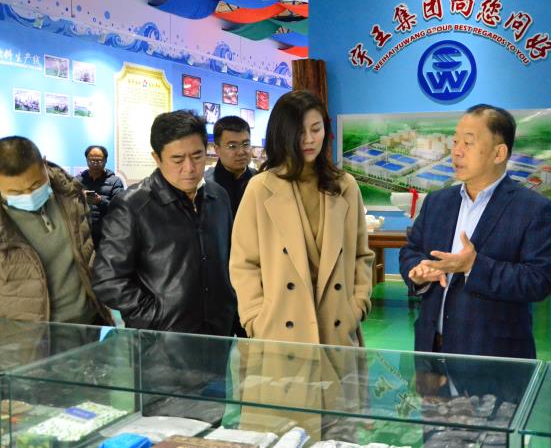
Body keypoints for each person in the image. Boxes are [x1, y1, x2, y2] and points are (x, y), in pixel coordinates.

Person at [399, 104, 551, 359]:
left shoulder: (533, 209)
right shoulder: (437, 202)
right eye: (455, 141)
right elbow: (411, 251)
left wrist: (474, 266)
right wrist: (418, 272)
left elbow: (537, 281)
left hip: (492, 357)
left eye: (468, 143)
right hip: (431, 350)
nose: (457, 151)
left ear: (499, 153)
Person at [230, 90, 374, 346]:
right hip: (280, 331)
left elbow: (361, 256)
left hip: (337, 329)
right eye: (299, 132)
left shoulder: (345, 186)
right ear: (282, 134)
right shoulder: (260, 188)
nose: (309, 139)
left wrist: (358, 306)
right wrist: (254, 318)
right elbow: (244, 263)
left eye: (316, 129)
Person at [92, 110, 238, 335]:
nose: (189, 168)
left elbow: (229, 259)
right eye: (177, 159)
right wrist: (154, 317)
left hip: (219, 332)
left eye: (197, 156)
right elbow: (107, 279)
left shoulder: (218, 196)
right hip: (161, 340)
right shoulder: (133, 205)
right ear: (157, 158)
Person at [0, 136, 110, 324]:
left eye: (35, 185)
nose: (29, 195)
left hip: (88, 322)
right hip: (29, 333)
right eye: (15, 193)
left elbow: (86, 252)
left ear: (44, 164)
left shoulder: (71, 195)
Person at [204, 116, 255, 218]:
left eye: (246, 144)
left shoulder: (259, 179)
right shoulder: (204, 184)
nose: (241, 152)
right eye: (232, 146)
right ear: (217, 149)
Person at [78, 145, 125, 246]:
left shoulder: (115, 182)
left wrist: (100, 201)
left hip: (106, 235)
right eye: (92, 160)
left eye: (99, 161)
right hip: (83, 234)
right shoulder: (78, 180)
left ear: (106, 160)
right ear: (86, 160)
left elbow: (120, 209)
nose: (95, 164)